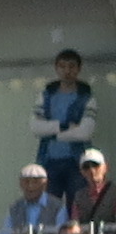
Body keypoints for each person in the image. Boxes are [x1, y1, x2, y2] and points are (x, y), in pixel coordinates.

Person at [37, 51, 96, 203]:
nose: (67, 71)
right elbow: (35, 127)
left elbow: (85, 132)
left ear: (78, 69)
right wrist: (66, 126)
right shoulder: (46, 96)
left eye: (71, 66)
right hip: (49, 160)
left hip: (77, 163)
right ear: (56, 68)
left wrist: (51, 132)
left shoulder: (87, 97)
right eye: (62, 66)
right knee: (49, 209)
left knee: (77, 209)